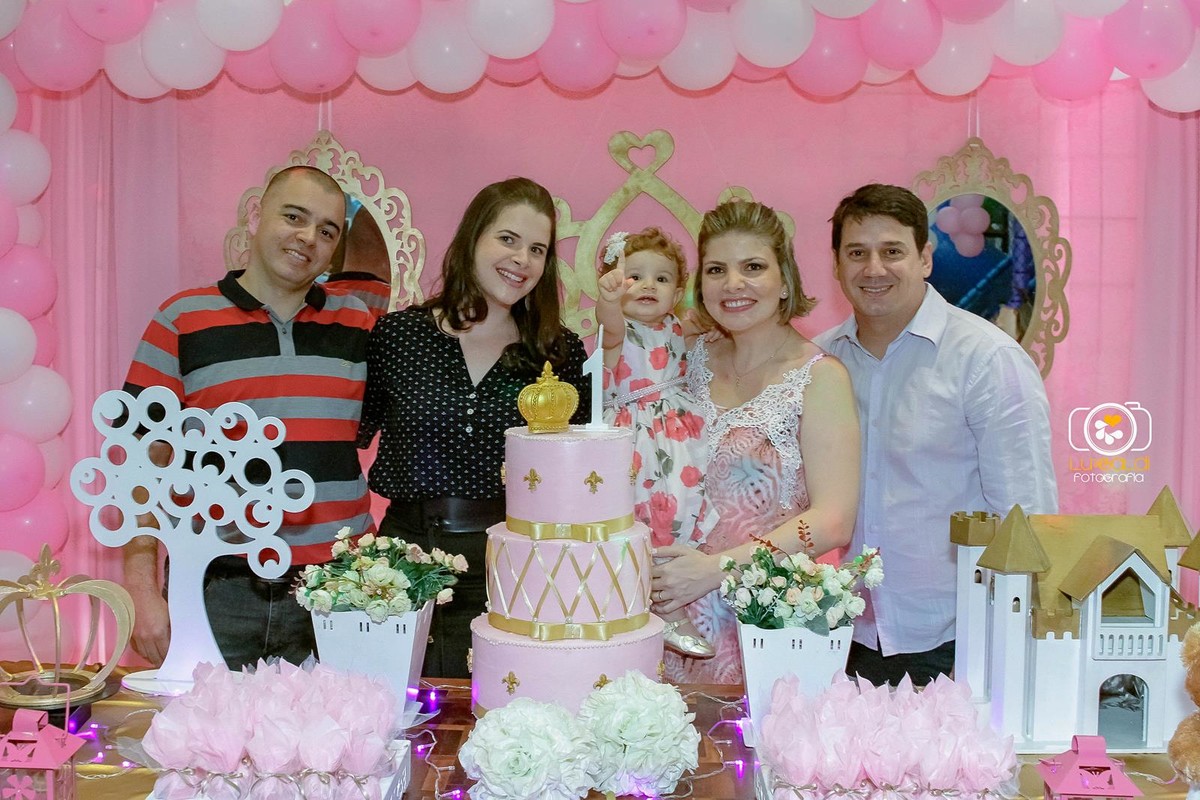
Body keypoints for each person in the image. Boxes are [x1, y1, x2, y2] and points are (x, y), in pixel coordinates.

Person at [123, 165, 376, 669]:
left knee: (341, 744)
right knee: (205, 745)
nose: (308, 238)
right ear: (258, 215)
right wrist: (141, 589)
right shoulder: (182, 318)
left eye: (327, 231)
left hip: (337, 588)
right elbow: (141, 465)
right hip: (219, 585)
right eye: (294, 216)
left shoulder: (359, 325)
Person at [814, 183, 1058, 687]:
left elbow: (1026, 513)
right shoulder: (819, 362)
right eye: (857, 253)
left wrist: (1023, 642)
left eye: (893, 252)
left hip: (957, 640)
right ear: (836, 265)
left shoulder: (986, 360)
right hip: (843, 634)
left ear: (925, 258)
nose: (874, 269)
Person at [358, 177, 589, 679]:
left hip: (512, 568)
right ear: (473, 239)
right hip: (401, 566)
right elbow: (350, 433)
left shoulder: (559, 352)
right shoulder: (399, 336)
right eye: (507, 239)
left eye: (537, 249)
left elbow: (580, 476)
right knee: (396, 712)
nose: (521, 260)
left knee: (498, 720)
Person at [651, 200, 861, 684]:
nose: (733, 284)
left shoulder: (818, 378)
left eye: (753, 268)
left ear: (785, 279)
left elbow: (833, 522)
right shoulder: (684, 359)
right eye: (717, 270)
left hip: (763, 619)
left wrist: (714, 569)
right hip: (662, 616)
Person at [595, 227, 718, 660]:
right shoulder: (617, 330)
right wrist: (609, 298)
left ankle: (668, 603)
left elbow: (720, 315)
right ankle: (646, 606)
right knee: (639, 514)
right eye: (634, 276)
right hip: (631, 435)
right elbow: (608, 322)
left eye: (662, 279)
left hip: (677, 435)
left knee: (681, 508)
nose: (648, 285)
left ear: (679, 291)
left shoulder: (679, 326)